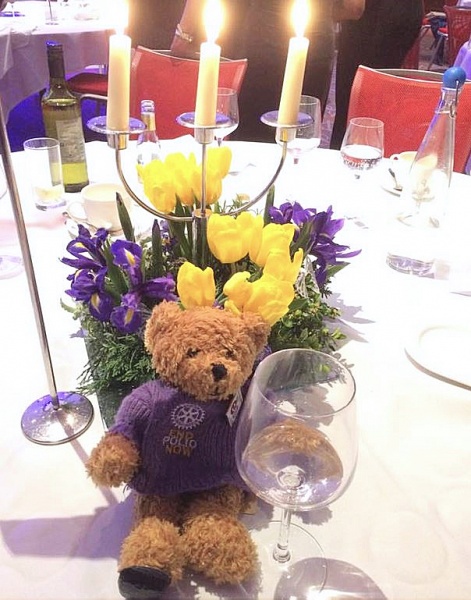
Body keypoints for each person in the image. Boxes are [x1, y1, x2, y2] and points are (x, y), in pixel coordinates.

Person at [171, 0, 365, 142]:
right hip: (315, 47)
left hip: (262, 41)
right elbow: (354, 7)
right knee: (297, 143)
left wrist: (185, 32)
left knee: (251, 144)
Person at [330, 0, 424, 150]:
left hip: (373, 17)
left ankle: (350, 154)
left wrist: (321, 15)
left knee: (352, 109)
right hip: (405, 12)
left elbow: (354, 9)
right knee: (377, 105)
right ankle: (370, 150)